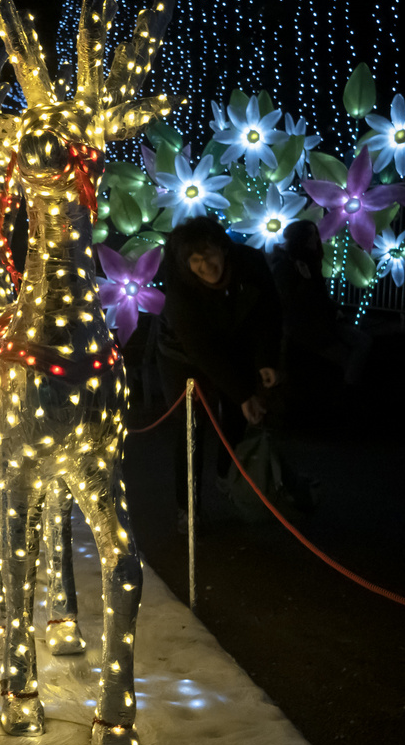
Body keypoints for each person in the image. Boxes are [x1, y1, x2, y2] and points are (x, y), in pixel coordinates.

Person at [158, 216, 283, 530]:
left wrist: (266, 360)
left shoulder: (250, 263)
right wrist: (242, 392)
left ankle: (228, 477)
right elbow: (200, 347)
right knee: (191, 426)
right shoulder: (181, 283)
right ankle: (188, 507)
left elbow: (269, 312)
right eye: (195, 260)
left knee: (240, 416)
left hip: (233, 341)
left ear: (224, 249)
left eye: (209, 254)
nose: (205, 265)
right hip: (183, 353)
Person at [272, 220, 371, 387]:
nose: (315, 238)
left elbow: (319, 296)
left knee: (363, 342)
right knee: (349, 355)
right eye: (310, 234)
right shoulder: (287, 265)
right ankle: (347, 393)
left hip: (324, 323)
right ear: (300, 237)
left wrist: (335, 309)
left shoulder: (311, 261)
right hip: (307, 331)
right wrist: (306, 280)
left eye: (315, 233)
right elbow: (295, 303)